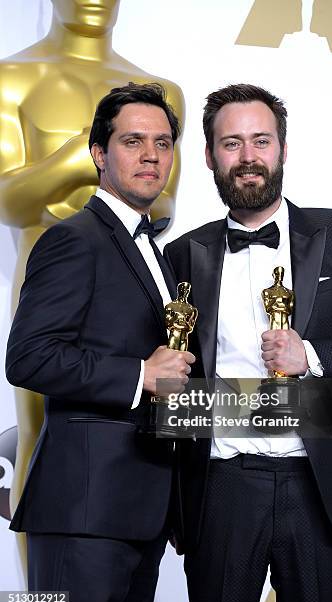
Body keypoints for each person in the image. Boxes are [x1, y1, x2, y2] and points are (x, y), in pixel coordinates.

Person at [164, 84, 332, 602]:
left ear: (283, 149)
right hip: (222, 486)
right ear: (209, 155)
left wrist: (312, 357)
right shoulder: (183, 253)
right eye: (231, 144)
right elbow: (175, 381)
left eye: (261, 141)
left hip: (320, 486)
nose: (248, 158)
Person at [0, 0, 184, 573]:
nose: (150, 157)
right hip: (83, 519)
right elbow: (28, 358)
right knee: (36, 431)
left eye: (160, 145)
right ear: (100, 153)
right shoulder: (70, 239)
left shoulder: (158, 252)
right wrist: (141, 375)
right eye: (131, 143)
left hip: (140, 516)